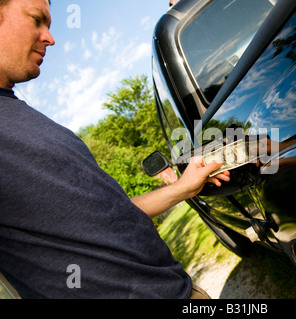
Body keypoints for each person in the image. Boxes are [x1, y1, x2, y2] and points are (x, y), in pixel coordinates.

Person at [0, 0, 230, 298]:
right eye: (36, 19)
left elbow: (110, 213)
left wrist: (184, 187)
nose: (50, 38)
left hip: (178, 288)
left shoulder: (26, 118)